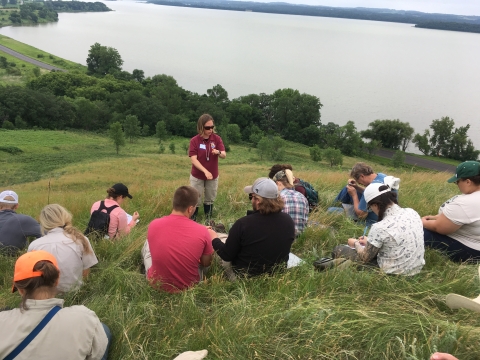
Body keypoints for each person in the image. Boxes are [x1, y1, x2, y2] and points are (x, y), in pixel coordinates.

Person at [0, 250, 110, 360]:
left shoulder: (2, 321)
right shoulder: (84, 318)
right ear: (57, 281)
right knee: (103, 329)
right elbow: (98, 354)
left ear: (20, 290)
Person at [332, 182, 425, 275]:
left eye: (370, 207)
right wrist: (370, 241)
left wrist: (355, 243)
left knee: (338, 249)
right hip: (415, 269)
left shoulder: (380, 227)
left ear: (375, 205)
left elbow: (365, 257)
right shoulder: (412, 212)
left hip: (393, 273)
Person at [211, 177, 295, 277]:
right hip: (276, 274)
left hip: (243, 277)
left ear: (258, 200)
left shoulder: (243, 224)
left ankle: (216, 232)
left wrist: (213, 238)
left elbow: (226, 255)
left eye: (251, 196)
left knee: (217, 240)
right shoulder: (288, 220)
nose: (251, 200)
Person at [142, 186, 215, 293]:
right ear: (190, 209)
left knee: (147, 246)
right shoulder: (202, 232)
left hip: (156, 283)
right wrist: (211, 239)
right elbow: (206, 263)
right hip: (188, 286)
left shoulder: (154, 224)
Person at [28, 204, 98, 293]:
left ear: (43, 223)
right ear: (66, 217)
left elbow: (32, 274)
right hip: (75, 293)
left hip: (45, 295)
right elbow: (86, 271)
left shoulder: (34, 245)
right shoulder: (81, 240)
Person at [422, 160, 480, 262]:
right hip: (476, 243)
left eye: (457, 181)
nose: (457, 184)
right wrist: (435, 217)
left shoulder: (465, 202)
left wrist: (421, 222)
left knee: (418, 232)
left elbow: (439, 228)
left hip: (470, 251)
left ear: (468, 182)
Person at [329, 162, 400, 226]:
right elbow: (374, 193)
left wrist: (354, 195)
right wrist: (356, 187)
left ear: (362, 176)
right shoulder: (381, 176)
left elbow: (361, 215)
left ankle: (332, 209)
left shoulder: (371, 187)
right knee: (348, 188)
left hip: (372, 221)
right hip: (389, 214)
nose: (359, 183)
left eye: (358, 181)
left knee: (331, 210)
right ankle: (340, 206)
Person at [188, 114, 226, 221]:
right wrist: (205, 171)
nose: (210, 130)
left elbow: (224, 155)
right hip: (197, 175)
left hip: (213, 176)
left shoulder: (216, 139)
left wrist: (218, 152)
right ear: (201, 127)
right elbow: (193, 159)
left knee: (209, 198)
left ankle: (208, 220)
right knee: (195, 198)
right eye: (207, 127)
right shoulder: (195, 141)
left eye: (212, 127)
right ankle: (193, 220)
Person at [272, 169, 309, 238]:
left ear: (278, 183)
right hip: (300, 238)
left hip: (281, 239)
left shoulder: (278, 197)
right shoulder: (302, 197)